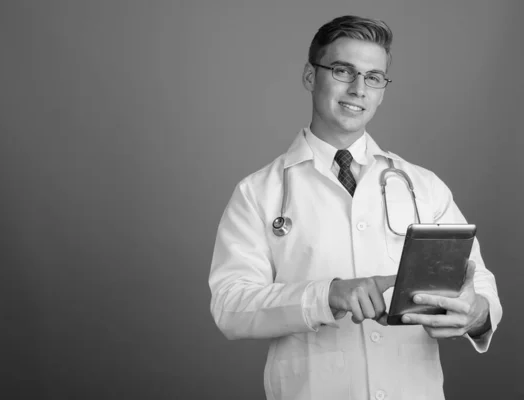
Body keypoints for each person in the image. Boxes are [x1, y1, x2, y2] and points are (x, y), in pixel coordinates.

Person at [208, 15, 502, 400]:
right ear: (311, 77)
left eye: (374, 77)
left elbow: (478, 284)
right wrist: (324, 295)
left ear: (382, 90)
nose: (359, 88)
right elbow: (230, 306)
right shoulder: (258, 192)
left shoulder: (423, 185)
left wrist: (476, 313)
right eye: (343, 71)